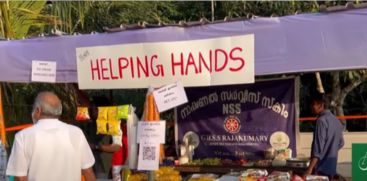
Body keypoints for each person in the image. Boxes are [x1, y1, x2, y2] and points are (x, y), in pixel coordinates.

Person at [6, 91, 96, 181]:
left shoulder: (22, 136)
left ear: (38, 110)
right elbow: (88, 172)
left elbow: (20, 177)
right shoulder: (77, 133)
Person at [305, 93, 344, 180]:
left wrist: (309, 169)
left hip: (320, 169)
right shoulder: (336, 120)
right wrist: (330, 150)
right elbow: (341, 143)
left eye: (313, 104)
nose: (311, 107)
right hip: (332, 169)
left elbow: (318, 150)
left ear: (321, 105)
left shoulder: (321, 121)